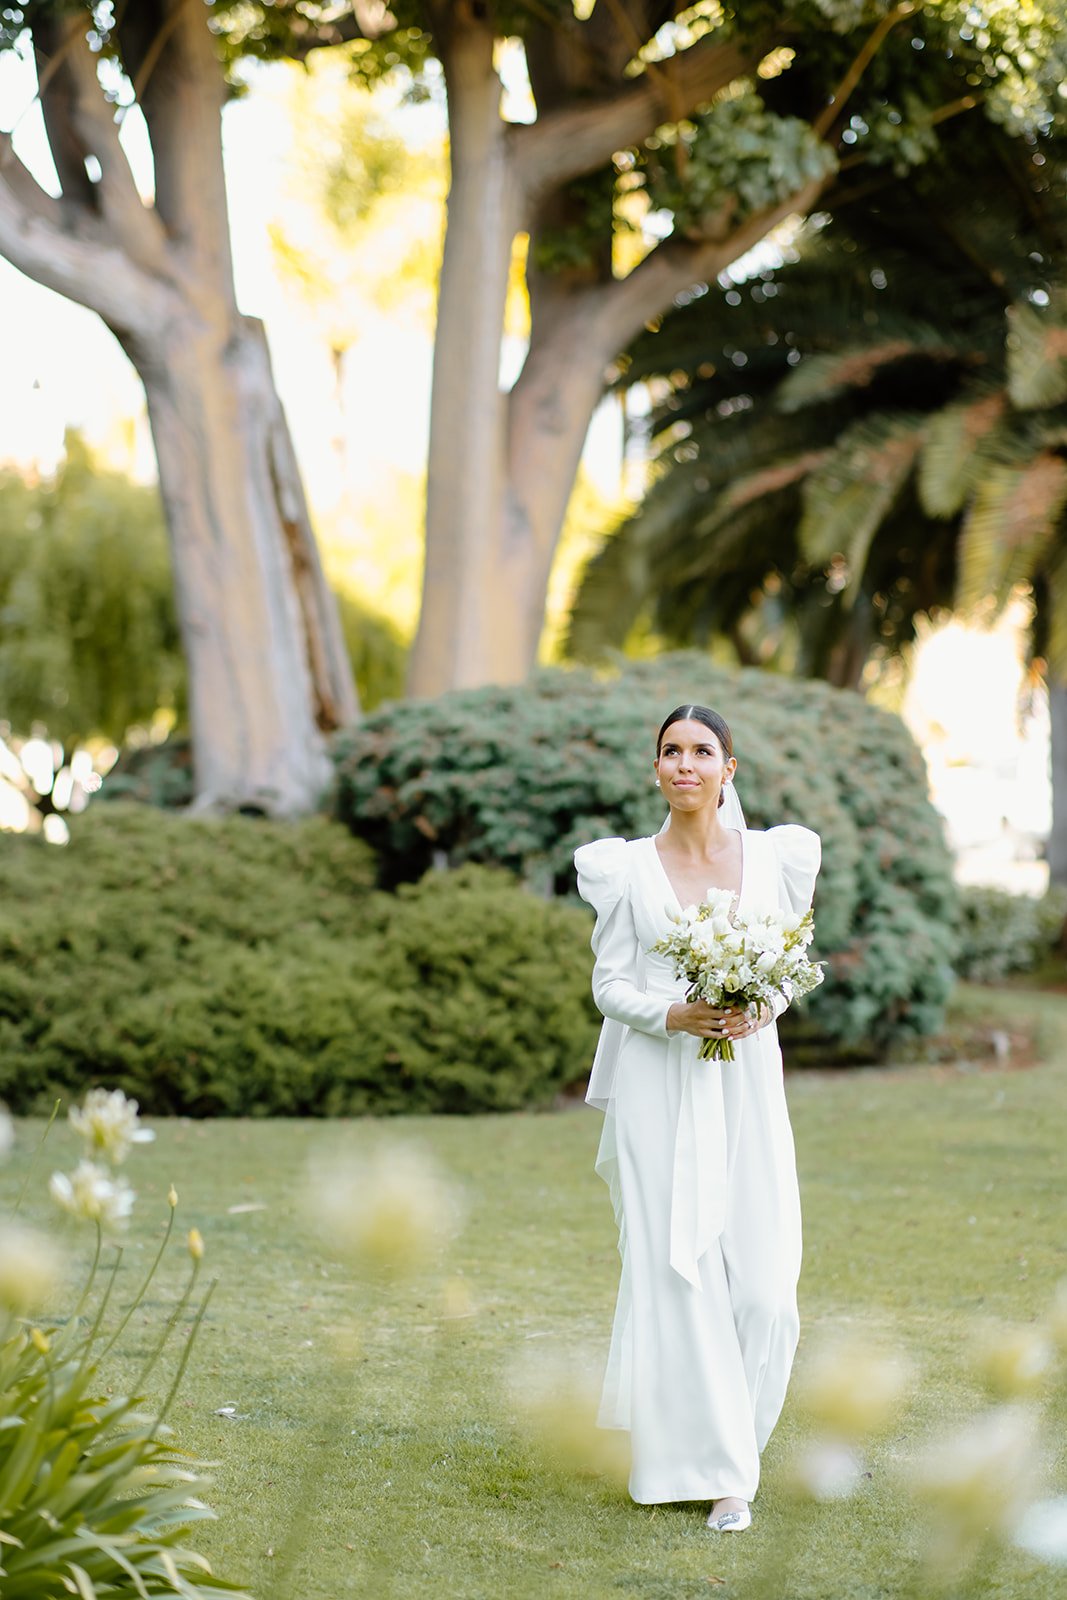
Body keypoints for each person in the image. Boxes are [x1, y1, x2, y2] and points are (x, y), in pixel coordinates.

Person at [574, 703, 821, 1532]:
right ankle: (718, 1474)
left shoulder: (775, 857)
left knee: (765, 1290)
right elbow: (609, 986)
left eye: (701, 751)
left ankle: (735, 1447)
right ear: (656, 770)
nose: (685, 764)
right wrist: (671, 1016)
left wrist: (759, 1007)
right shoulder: (623, 869)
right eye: (670, 752)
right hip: (658, 1084)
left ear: (729, 770)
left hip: (745, 1081)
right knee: (677, 1273)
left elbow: (788, 966)